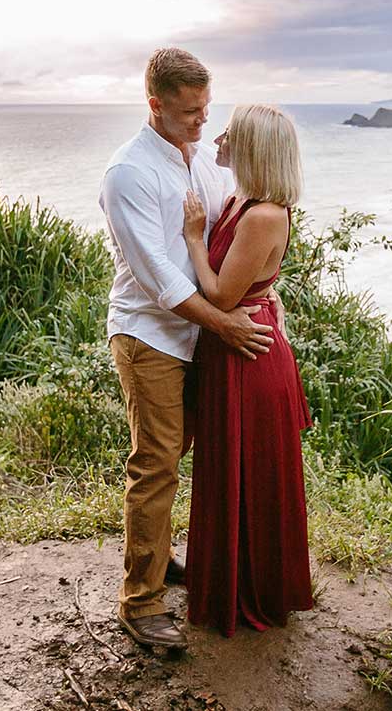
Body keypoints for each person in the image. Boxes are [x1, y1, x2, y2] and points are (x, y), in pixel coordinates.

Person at [99, 48, 278, 650]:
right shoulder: (129, 174)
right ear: (155, 105)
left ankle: (162, 560)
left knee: (187, 454)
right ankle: (141, 601)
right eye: (190, 113)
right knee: (156, 464)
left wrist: (263, 287)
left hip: (201, 337)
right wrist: (227, 326)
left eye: (207, 109)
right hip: (151, 334)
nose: (203, 122)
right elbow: (161, 280)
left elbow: (248, 218)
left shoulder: (201, 160)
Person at [182, 103, 314, 637]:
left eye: (230, 134)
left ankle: (251, 591)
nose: (219, 137)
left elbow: (220, 292)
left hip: (248, 359)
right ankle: (227, 581)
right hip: (232, 346)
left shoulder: (264, 214)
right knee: (228, 470)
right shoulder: (242, 198)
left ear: (253, 148)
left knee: (251, 475)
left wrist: (194, 237)